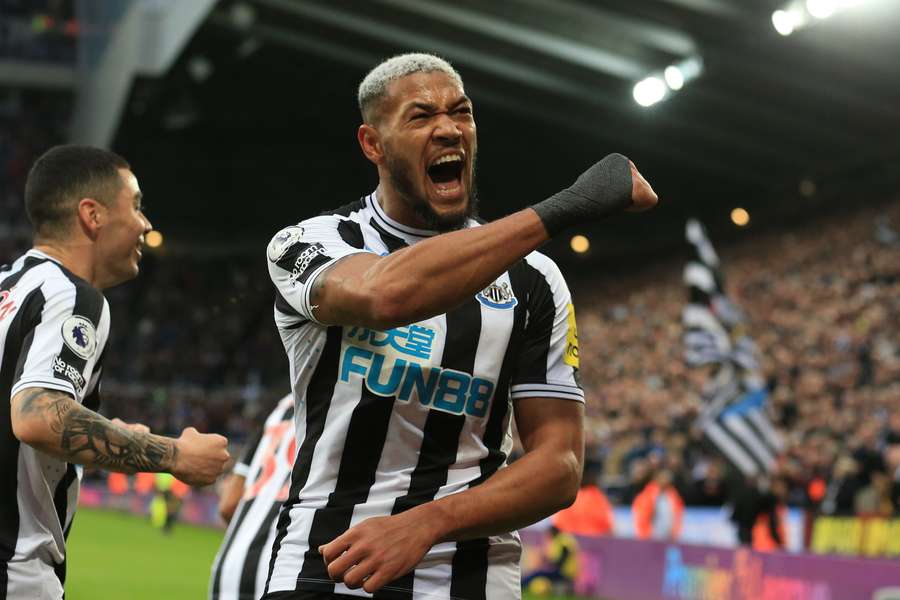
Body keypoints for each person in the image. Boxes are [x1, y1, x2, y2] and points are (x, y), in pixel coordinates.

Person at [263, 53, 657, 600]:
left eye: (461, 113)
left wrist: (426, 523)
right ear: (372, 144)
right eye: (420, 116)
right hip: (325, 567)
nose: (448, 129)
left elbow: (560, 464)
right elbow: (386, 295)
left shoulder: (534, 280)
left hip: (474, 577)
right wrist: (568, 207)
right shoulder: (310, 243)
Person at [0, 145, 230, 599]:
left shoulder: (9, 289)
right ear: (93, 214)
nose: (145, 224)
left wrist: (105, 431)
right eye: (137, 205)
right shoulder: (71, 295)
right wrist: (176, 456)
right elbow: (36, 416)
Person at [210, 394, 295, 600]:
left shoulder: (280, 409)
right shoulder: (351, 406)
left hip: (231, 571)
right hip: (291, 575)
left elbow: (229, 504)